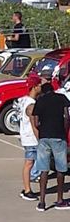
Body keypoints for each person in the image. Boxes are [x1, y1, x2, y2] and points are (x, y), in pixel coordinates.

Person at [30, 82, 70, 211]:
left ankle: (42, 202)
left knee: (44, 169)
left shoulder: (40, 101)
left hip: (44, 138)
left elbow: (36, 122)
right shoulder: (61, 98)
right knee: (61, 169)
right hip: (58, 136)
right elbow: (66, 117)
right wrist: (63, 130)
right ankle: (59, 200)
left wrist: (43, 129)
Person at [18, 74, 42, 201]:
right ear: (35, 86)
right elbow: (34, 124)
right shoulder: (31, 104)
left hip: (26, 136)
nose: (41, 87)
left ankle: (28, 187)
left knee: (30, 162)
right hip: (31, 137)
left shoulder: (24, 100)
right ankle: (27, 189)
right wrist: (39, 138)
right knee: (30, 162)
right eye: (39, 85)